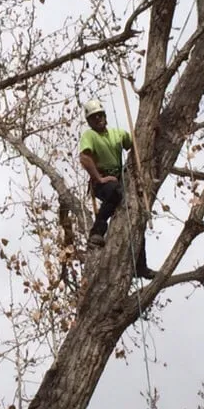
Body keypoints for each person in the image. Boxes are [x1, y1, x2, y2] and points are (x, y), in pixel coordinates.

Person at [78, 99, 154, 278]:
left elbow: (135, 142)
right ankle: (97, 232)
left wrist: (153, 130)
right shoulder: (89, 136)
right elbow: (84, 158)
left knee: (135, 215)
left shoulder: (117, 134)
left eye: (99, 115)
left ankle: (140, 266)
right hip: (102, 183)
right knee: (112, 191)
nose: (97, 119)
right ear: (89, 122)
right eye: (93, 118)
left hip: (119, 182)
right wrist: (99, 177)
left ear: (105, 116)